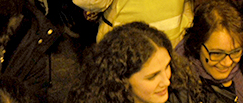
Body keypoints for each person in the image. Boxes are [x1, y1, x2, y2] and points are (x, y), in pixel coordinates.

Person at [68, 21, 201, 103]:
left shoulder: (180, 94)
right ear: (121, 80)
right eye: (152, 76)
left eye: (167, 67)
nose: (166, 81)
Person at [179, 0, 243, 103]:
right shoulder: (183, 88)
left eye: (235, 52)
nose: (227, 62)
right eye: (217, 54)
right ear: (197, 45)